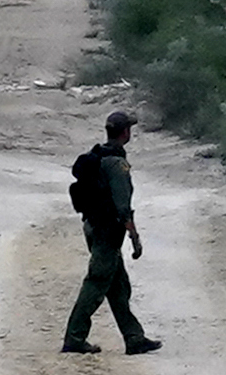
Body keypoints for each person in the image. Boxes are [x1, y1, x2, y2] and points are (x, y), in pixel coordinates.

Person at [62, 109, 161, 355]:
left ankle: (134, 337)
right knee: (96, 284)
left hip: (94, 226)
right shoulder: (117, 164)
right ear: (125, 132)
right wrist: (135, 238)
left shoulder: (97, 156)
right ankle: (74, 337)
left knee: (118, 287)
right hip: (107, 231)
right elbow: (123, 207)